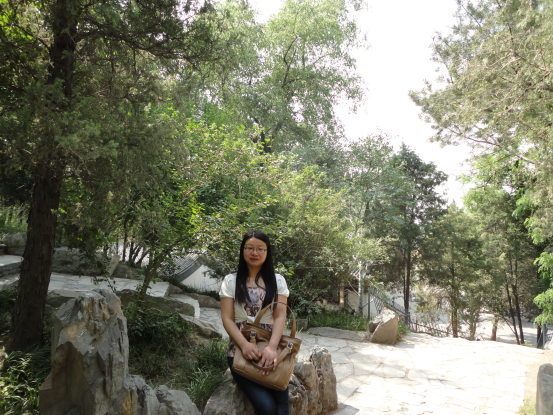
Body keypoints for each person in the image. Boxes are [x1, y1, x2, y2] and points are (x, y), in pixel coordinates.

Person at [219, 230, 290, 415]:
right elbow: (227, 318)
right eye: (250, 248)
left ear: (267, 252)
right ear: (243, 250)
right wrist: (244, 345)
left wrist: (272, 347)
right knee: (266, 407)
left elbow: (280, 315)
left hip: (270, 351)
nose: (254, 253)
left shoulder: (278, 281)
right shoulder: (231, 281)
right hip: (239, 352)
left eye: (260, 249)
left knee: (282, 405)